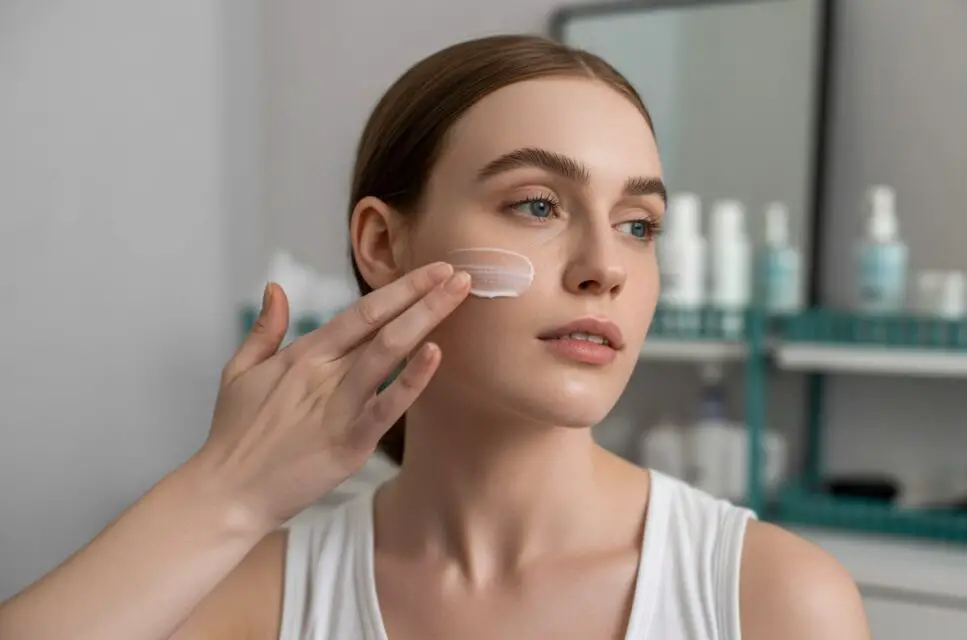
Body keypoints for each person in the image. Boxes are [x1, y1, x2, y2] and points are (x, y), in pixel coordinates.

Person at [0, 35, 869, 640]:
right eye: (538, 205)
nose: (605, 265)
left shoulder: (773, 600)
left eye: (639, 224)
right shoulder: (254, 598)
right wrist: (224, 493)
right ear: (383, 244)